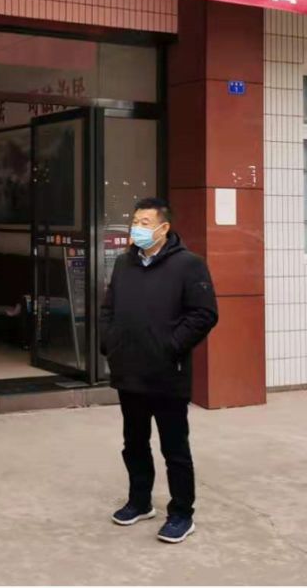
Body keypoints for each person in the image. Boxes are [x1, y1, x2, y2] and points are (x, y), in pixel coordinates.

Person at [99, 197, 218, 544]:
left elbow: (204, 314)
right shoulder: (124, 263)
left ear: (164, 228)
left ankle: (181, 513)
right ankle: (140, 502)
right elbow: (108, 309)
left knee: (174, 448)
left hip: (167, 374)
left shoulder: (189, 265)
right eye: (135, 221)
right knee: (134, 442)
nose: (137, 228)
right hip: (129, 371)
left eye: (145, 222)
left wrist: (169, 346)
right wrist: (110, 342)